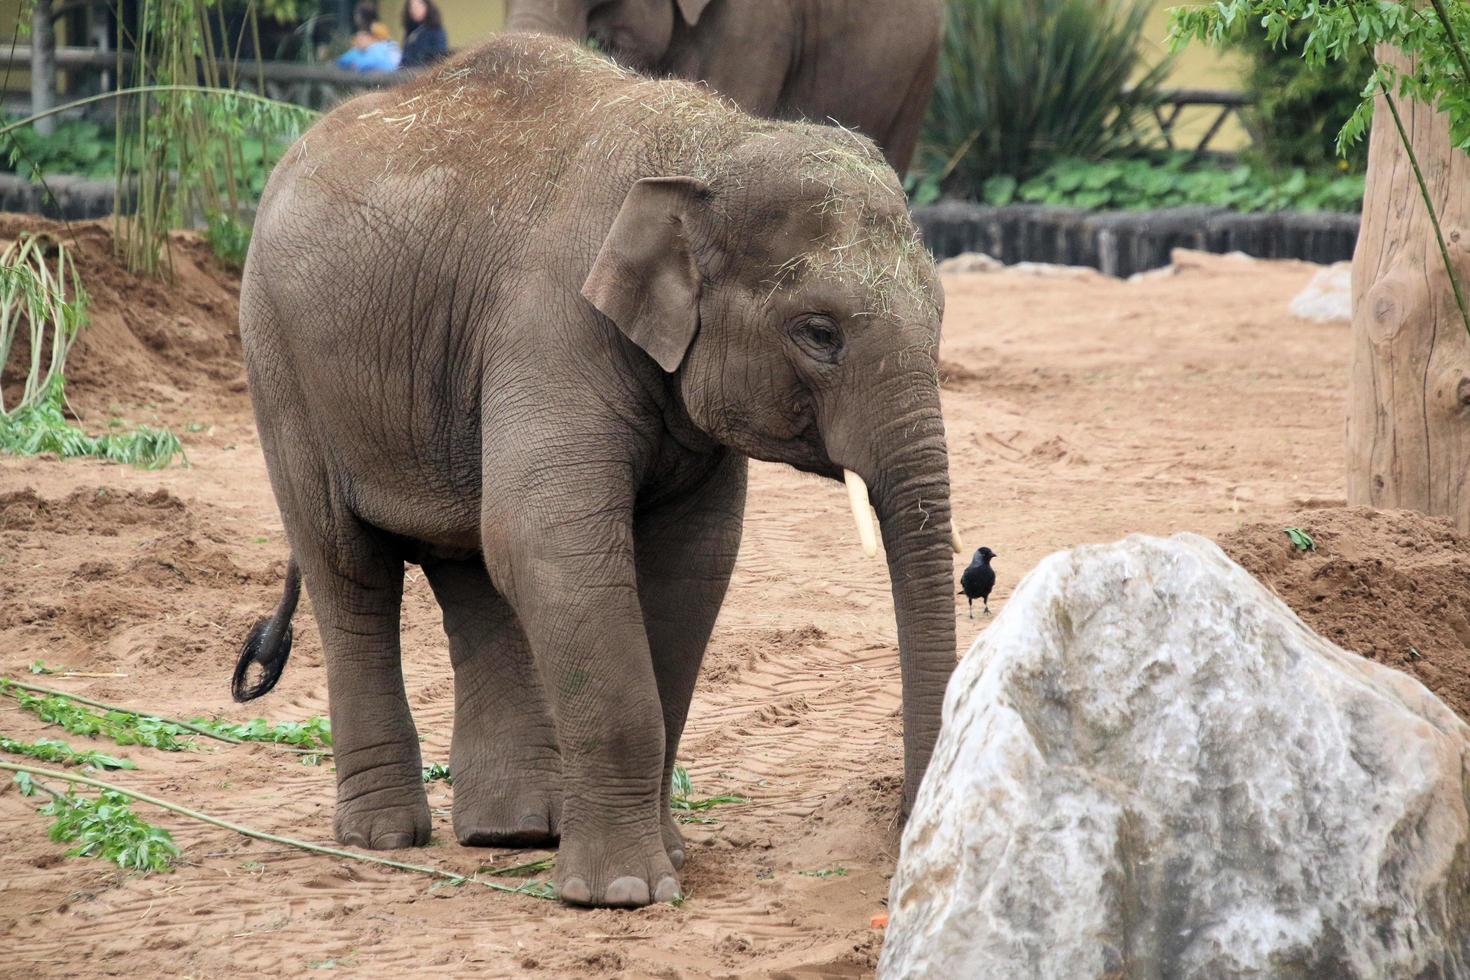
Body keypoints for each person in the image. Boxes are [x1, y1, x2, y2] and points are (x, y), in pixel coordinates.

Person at [337, 16, 401, 72]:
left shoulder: (379, 47)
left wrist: (357, 65)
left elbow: (381, 63)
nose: (360, 41)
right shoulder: (360, 50)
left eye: (362, 38)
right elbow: (342, 60)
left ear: (370, 38)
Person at [400, 0, 448, 69]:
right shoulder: (410, 32)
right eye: (411, 7)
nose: (414, 10)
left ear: (427, 6)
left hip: (425, 73)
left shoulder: (436, 31)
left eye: (418, 6)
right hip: (406, 74)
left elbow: (438, 58)